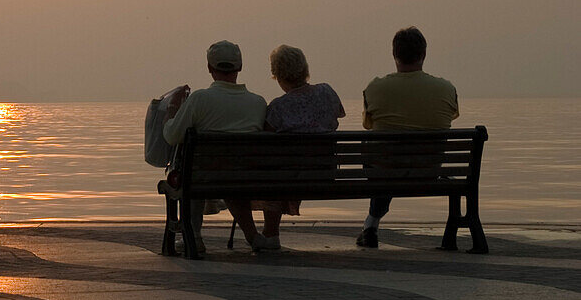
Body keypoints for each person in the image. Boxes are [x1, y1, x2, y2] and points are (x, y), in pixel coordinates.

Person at [163, 40, 271, 253]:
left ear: (210, 68)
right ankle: (252, 236)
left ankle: (193, 235)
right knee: (226, 168)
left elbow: (172, 136)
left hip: (204, 178)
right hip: (246, 177)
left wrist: (172, 111)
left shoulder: (200, 99)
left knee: (191, 169)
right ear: (239, 67)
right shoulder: (258, 103)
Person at [357, 26, 459, 248]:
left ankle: (371, 225)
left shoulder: (375, 88)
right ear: (423, 54)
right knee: (389, 156)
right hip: (428, 169)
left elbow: (368, 125)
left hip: (385, 170)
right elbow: (452, 116)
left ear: (394, 55)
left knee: (380, 154)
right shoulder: (446, 88)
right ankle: (370, 225)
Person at [248, 45, 345, 248]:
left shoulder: (278, 107)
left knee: (271, 168)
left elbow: (264, 143)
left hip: (289, 178)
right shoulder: (327, 92)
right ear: (305, 69)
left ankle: (271, 232)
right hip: (325, 173)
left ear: (277, 75)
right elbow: (339, 113)